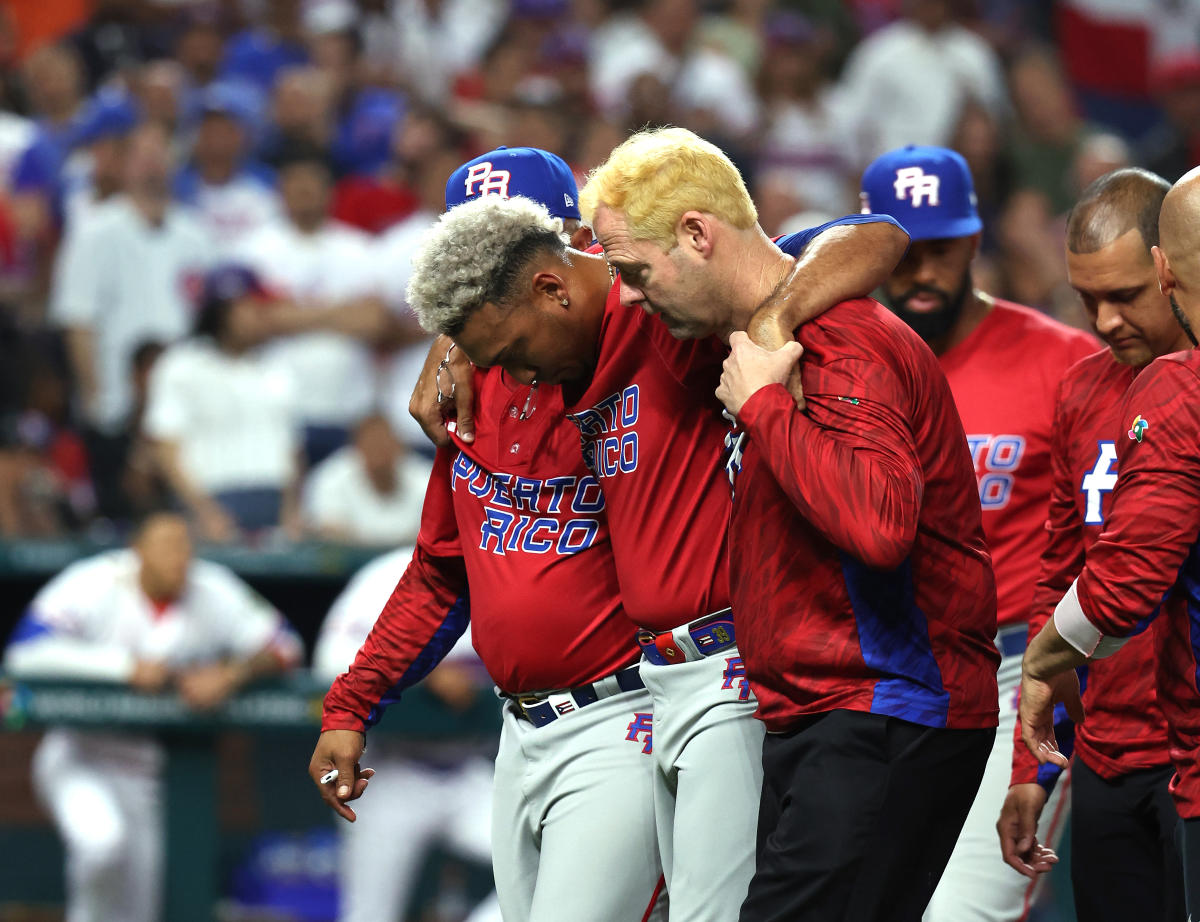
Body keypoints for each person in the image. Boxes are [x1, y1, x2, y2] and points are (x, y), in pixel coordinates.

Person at [402, 133, 911, 919]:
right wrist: (460, 342)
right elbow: (440, 567)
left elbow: (874, 237)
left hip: (723, 668)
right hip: (657, 683)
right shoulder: (523, 371)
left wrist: (775, 316)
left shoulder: (661, 316)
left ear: (563, 253)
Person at [579, 126, 999, 921]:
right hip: (831, 707)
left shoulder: (838, 339)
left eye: (635, 271)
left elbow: (879, 527)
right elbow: (858, 241)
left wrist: (768, 407)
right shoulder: (766, 329)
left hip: (887, 703)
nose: (628, 295)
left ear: (698, 235)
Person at [310, 148, 669, 922]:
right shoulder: (473, 390)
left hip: (627, 717)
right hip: (515, 735)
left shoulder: (654, 343)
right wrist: (352, 704)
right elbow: (442, 574)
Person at [853, 144, 1097, 922]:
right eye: (903, 251)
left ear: (974, 240)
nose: (922, 272)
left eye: (942, 249)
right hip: (879, 671)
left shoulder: (1063, 362)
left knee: (961, 912)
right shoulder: (839, 361)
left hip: (1010, 672)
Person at [999, 168, 1188, 920]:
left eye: (1126, 296)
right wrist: (1030, 769)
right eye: (1088, 300)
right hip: (1109, 761)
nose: (1105, 321)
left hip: (1190, 757)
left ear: (1172, 265)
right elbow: (1057, 579)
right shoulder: (1081, 391)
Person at [3, 511, 302, 922]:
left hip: (152, 777)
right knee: (101, 844)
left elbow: (286, 645)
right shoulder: (94, 581)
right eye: (165, 547)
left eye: (185, 547)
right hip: (81, 754)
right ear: (137, 552)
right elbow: (25, 653)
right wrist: (123, 667)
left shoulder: (211, 587)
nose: (179, 558)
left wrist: (232, 674)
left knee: (138, 910)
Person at [312, 547, 501, 922]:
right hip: (392, 771)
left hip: (470, 772)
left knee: (548, 864)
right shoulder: (384, 576)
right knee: (368, 915)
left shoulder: (507, 565)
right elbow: (329, 663)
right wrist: (424, 672)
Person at [49, 122, 211, 520]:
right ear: (123, 166)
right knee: (120, 512)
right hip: (117, 402)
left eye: (162, 156)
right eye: (143, 157)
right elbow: (77, 320)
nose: (153, 166)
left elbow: (207, 322)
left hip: (181, 401)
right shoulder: (95, 232)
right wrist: (95, 396)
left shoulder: (196, 236)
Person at [142, 264, 302, 542]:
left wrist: (292, 509)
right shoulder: (181, 365)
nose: (259, 315)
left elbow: (291, 450)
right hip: (215, 502)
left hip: (273, 501)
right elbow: (165, 449)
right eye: (250, 307)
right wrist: (204, 512)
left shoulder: (277, 366)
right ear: (221, 312)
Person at [302, 413, 431, 545]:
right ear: (357, 448)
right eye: (372, 444)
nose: (379, 452)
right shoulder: (330, 478)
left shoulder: (426, 478)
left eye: (385, 444)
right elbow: (330, 532)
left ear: (399, 446)